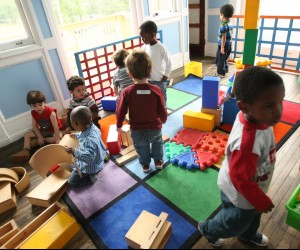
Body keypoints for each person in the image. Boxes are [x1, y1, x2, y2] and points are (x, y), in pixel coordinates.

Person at [198, 66, 285, 248]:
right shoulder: (247, 144)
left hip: (253, 185)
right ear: (244, 106)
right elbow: (241, 179)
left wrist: (258, 198)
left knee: (253, 215)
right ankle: (208, 229)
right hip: (240, 190)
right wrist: (259, 200)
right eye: (269, 105)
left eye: (280, 102)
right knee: (235, 220)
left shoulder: (259, 117)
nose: (278, 110)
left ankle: (248, 234)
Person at [116, 49, 167, 173]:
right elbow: (162, 107)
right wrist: (163, 118)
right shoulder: (156, 90)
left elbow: (120, 110)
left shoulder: (127, 92)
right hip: (154, 126)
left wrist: (119, 124)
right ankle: (158, 161)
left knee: (141, 146)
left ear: (130, 74)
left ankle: (145, 165)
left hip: (137, 128)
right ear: (149, 71)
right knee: (157, 143)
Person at [9, 90, 63, 163]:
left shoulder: (51, 112)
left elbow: (56, 127)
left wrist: (57, 139)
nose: (38, 108)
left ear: (44, 102)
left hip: (55, 131)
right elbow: (34, 126)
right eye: (34, 106)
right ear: (31, 106)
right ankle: (26, 150)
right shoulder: (33, 113)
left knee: (58, 139)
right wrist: (40, 136)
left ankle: (43, 141)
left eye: (40, 104)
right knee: (27, 134)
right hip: (44, 131)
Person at [65, 106, 107, 188]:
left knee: (71, 182)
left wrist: (74, 151)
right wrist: (77, 135)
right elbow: (84, 133)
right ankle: (103, 158)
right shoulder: (93, 127)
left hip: (90, 167)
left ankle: (91, 178)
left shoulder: (87, 141)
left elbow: (89, 158)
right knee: (72, 164)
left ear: (75, 124)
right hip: (98, 158)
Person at [139, 20, 172, 105]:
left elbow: (169, 63)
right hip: (147, 79)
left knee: (161, 96)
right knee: (150, 97)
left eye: (144, 37)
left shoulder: (161, 47)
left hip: (159, 79)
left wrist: (166, 75)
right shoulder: (144, 47)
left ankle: (163, 109)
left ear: (152, 35)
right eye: (141, 37)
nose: (142, 40)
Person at [216, 4, 234, 78]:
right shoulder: (230, 23)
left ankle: (221, 73)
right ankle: (226, 69)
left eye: (220, 14)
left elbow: (224, 37)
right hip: (229, 44)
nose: (219, 15)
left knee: (219, 59)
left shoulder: (223, 25)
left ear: (222, 14)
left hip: (223, 45)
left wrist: (222, 47)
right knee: (224, 58)